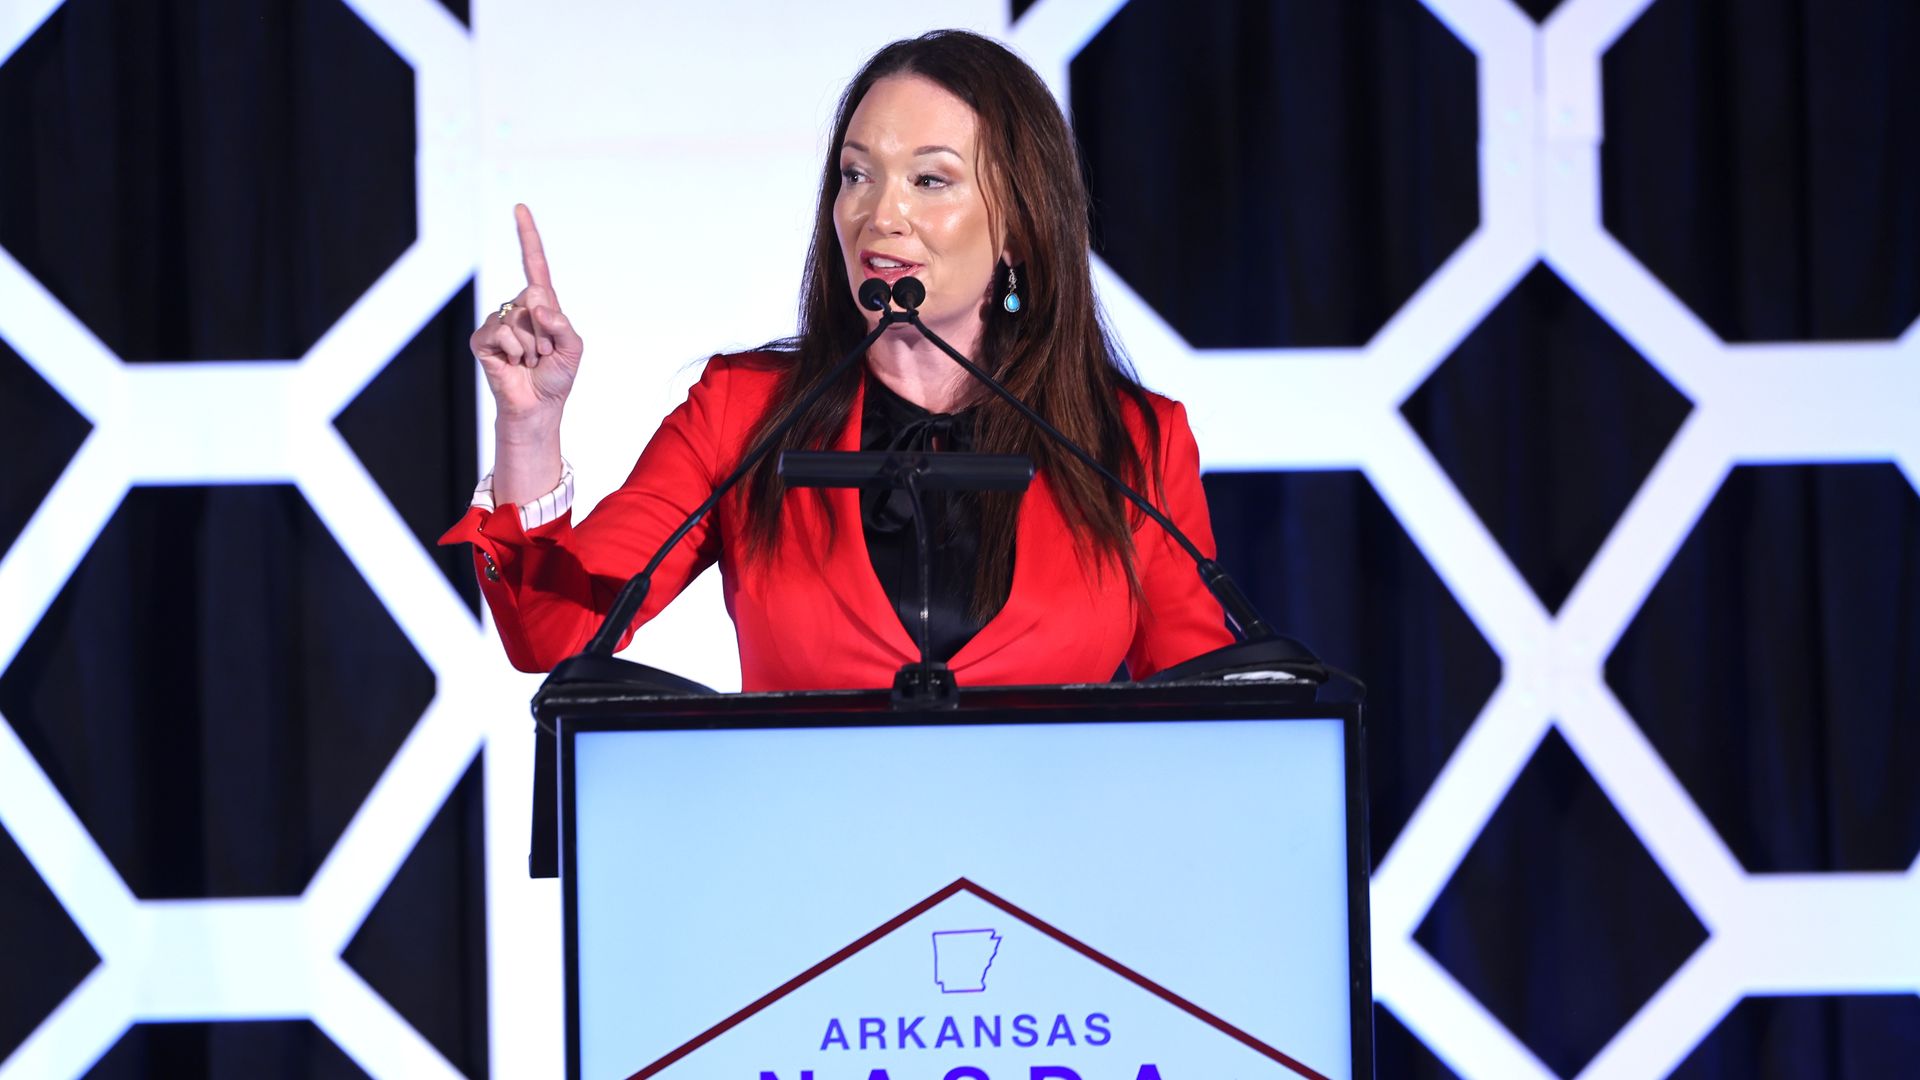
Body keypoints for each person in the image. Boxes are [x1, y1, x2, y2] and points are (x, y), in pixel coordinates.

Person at [440, 30, 1234, 691]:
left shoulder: (1134, 444)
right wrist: (527, 429)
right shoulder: (743, 415)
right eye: (857, 175)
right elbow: (554, 634)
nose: (881, 214)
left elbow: (1211, 712)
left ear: (1019, 228)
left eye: (931, 180)